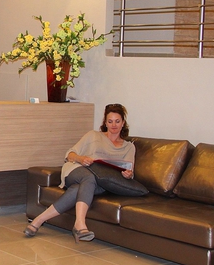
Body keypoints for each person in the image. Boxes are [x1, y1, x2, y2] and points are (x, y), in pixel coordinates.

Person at [24, 103, 136, 243]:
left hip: (101, 182)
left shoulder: (129, 147)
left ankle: (38, 220)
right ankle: (80, 224)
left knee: (78, 189)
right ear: (105, 123)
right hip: (76, 170)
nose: (114, 125)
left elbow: (129, 170)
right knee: (88, 178)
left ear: (123, 123)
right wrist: (81, 159)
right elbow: (69, 154)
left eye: (117, 121)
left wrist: (128, 175)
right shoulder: (93, 136)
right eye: (110, 121)